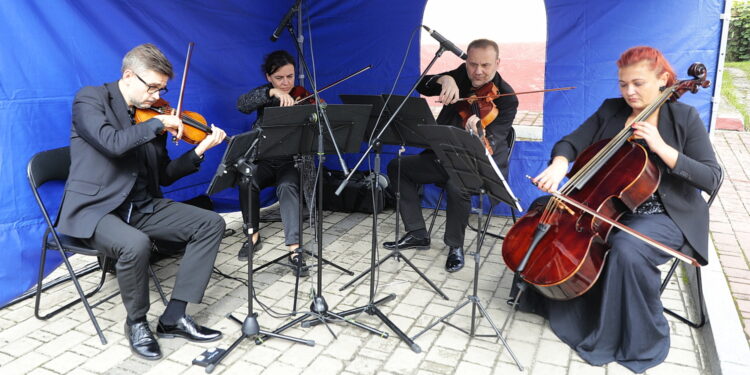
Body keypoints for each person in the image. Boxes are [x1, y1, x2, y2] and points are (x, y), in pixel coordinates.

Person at [525, 46, 721, 372]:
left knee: (627, 248)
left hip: (664, 214)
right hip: (610, 205)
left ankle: (641, 340)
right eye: (623, 84)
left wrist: (661, 147)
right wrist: (560, 164)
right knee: (543, 208)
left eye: (638, 83)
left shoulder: (684, 118)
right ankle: (548, 291)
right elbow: (571, 142)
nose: (629, 92)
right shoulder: (612, 110)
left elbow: (710, 177)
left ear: (663, 80)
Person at [56, 43, 227, 360]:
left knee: (211, 223)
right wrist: (157, 125)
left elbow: (163, 176)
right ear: (128, 76)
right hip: (97, 209)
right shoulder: (91, 99)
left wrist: (198, 150)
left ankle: (174, 316)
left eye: (162, 88)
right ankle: (136, 323)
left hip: (141, 205)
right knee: (136, 244)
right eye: (152, 87)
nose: (157, 95)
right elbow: (112, 144)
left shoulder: (154, 115)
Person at [383, 39, 518, 272]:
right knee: (397, 166)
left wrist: (478, 133)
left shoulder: (507, 98)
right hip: (444, 156)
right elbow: (422, 85)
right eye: (472, 64)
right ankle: (417, 233)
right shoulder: (462, 76)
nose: (478, 71)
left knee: (457, 184)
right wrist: (445, 79)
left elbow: (492, 142)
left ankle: (455, 246)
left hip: (478, 165)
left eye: (485, 65)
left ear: (497, 62)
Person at [236, 50, 307, 276]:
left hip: (290, 162)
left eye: (290, 76)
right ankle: (252, 235)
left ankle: (294, 249)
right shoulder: (265, 94)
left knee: (287, 186)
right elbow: (242, 104)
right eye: (279, 78)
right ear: (269, 77)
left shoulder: (302, 95)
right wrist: (271, 92)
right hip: (264, 160)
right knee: (247, 181)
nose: (286, 83)